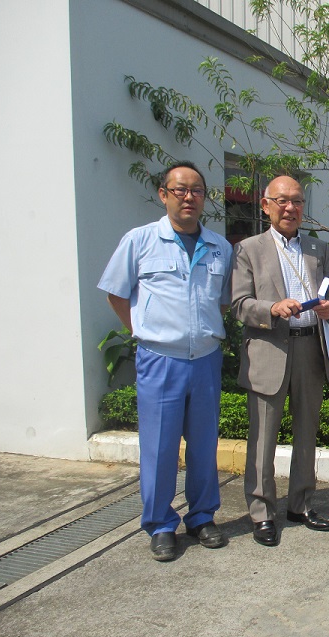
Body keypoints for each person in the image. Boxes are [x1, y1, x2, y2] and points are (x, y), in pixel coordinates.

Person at [98, 161, 232, 561]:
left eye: (197, 190)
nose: (189, 197)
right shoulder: (140, 241)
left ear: (205, 197)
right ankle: (160, 524)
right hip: (159, 360)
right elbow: (116, 293)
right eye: (180, 190)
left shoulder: (220, 247)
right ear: (163, 194)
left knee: (204, 446)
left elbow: (223, 301)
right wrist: (143, 329)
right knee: (158, 448)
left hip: (205, 359)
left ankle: (202, 517)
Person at [231, 175, 329, 547]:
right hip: (269, 349)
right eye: (282, 200)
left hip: (311, 348)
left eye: (297, 200)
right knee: (263, 438)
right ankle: (262, 513)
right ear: (266, 205)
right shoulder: (248, 249)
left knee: (307, 433)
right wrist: (272, 308)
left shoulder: (318, 248)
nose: (290, 207)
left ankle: (301, 504)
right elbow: (239, 304)